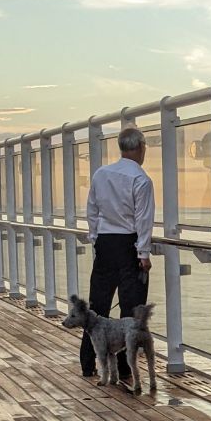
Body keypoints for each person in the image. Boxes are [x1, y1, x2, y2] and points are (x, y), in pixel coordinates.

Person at [82, 126, 154, 379]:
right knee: (131, 308)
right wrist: (143, 253)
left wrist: (95, 238)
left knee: (97, 304)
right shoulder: (141, 180)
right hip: (129, 245)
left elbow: (92, 210)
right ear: (141, 147)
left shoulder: (101, 173)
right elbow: (143, 220)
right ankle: (124, 366)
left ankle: (87, 362)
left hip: (104, 242)